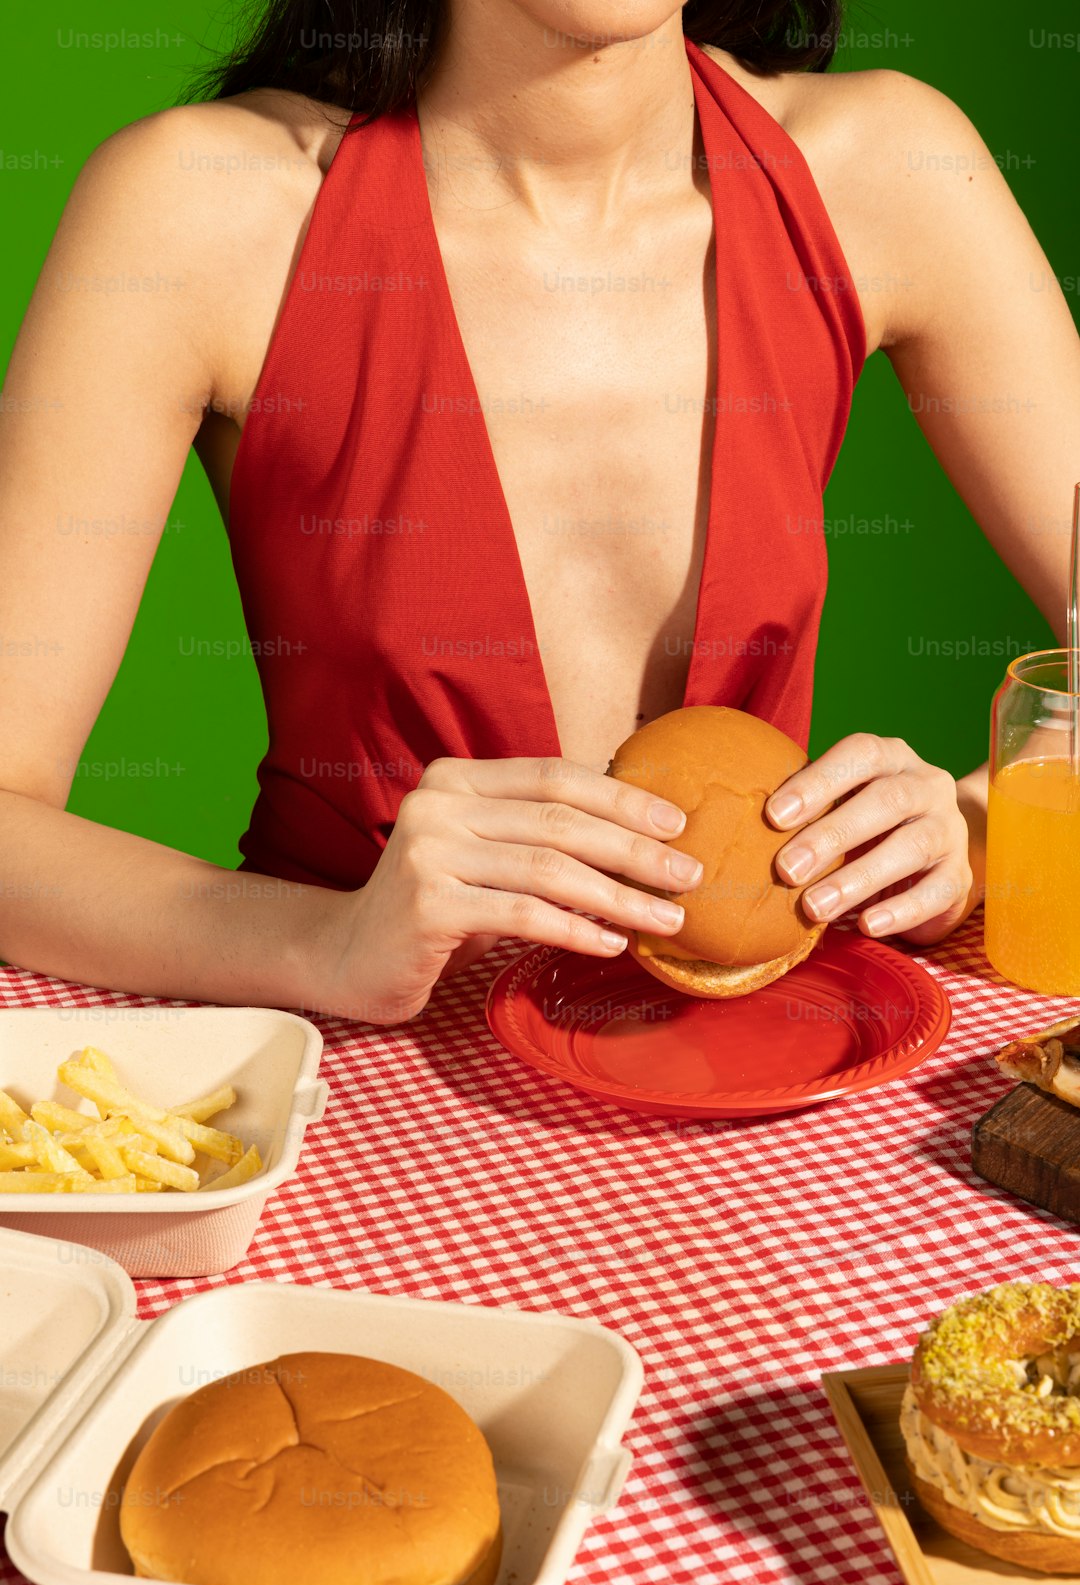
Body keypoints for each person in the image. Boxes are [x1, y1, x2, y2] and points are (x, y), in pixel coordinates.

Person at [0, 2, 1076, 1025]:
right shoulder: (198, 207)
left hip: (766, 1088)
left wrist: (977, 832)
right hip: (362, 1092)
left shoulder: (889, 169)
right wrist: (328, 943)